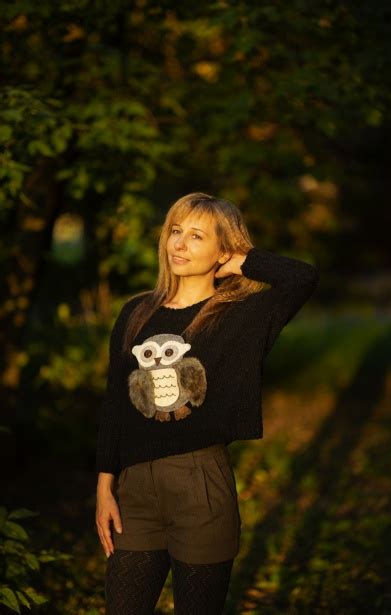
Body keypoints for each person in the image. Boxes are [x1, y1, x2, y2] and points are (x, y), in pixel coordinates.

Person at [95, 192, 320, 614]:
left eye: (197, 236)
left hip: (200, 484)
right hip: (135, 490)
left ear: (224, 248)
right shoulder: (137, 312)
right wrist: (104, 486)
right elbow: (114, 404)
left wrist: (241, 262)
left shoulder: (243, 315)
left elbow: (302, 277)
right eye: (175, 231)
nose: (179, 244)